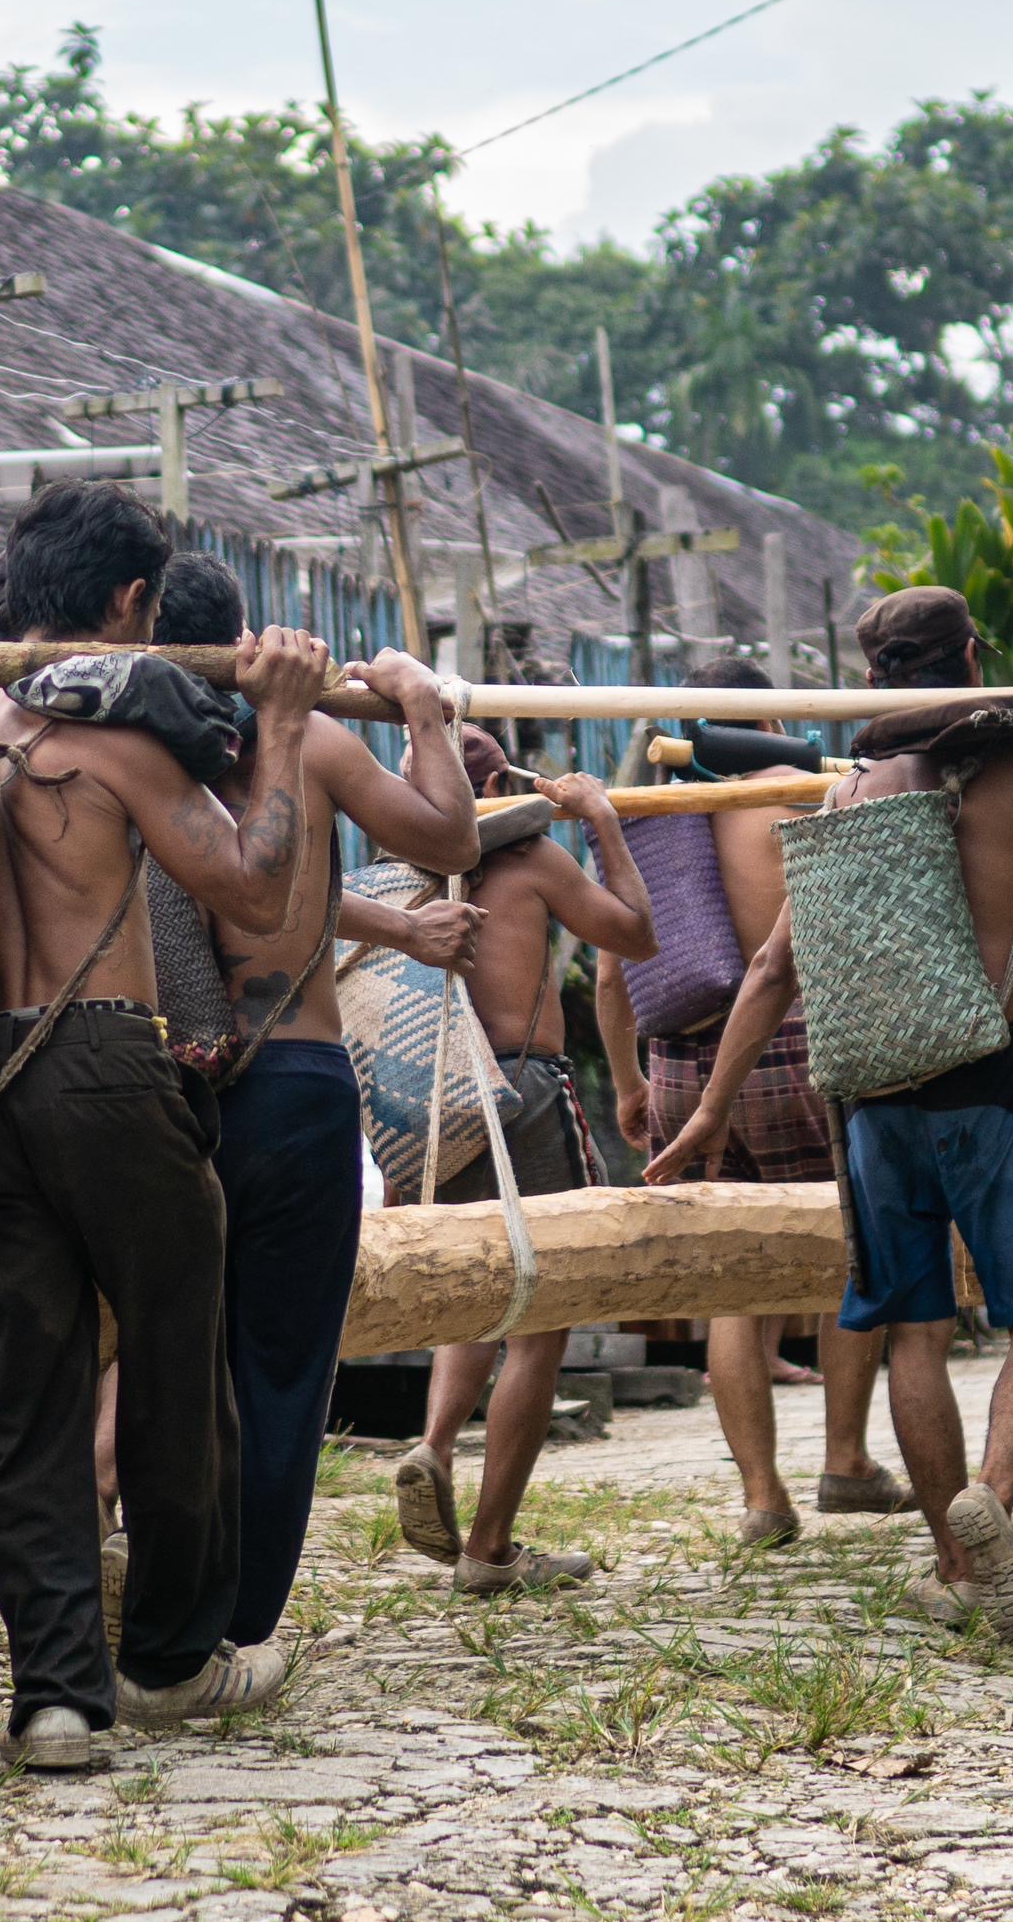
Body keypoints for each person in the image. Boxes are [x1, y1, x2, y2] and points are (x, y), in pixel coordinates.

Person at [0, 483, 331, 1770]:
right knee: (175, 1359)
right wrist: (277, 719)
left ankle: (52, 1696)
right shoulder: (121, 729)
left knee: (20, 1391)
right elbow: (255, 893)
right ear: (130, 601)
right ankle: (163, 1656)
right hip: (102, 1058)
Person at [667, 589, 1013, 1641]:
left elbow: (768, 968)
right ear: (972, 656)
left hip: (873, 1103)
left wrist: (712, 1107)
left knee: (913, 1334)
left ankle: (954, 1560)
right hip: (990, 1077)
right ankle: (990, 1496)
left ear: (872, 674)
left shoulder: (842, 797)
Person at [143, 550, 477, 1656]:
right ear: (246, 640)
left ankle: (156, 1590)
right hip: (290, 1080)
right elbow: (448, 837)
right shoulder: (313, 741)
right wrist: (423, 706)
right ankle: (238, 1623)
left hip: (165, 1085)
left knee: (172, 1356)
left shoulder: (125, 753)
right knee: (279, 1362)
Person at [601, 655, 902, 1544]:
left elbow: (613, 977)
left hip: (682, 1061)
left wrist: (629, 1082)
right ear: (771, 720)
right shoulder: (804, 789)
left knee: (734, 1282)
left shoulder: (655, 815)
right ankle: (845, 1462)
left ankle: (761, 1499)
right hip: (797, 1043)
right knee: (854, 1256)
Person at [382, 729, 655, 1598]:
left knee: (479, 1288)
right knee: (543, 1314)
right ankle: (490, 1548)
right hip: (523, 1092)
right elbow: (639, 936)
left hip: (435, 1097)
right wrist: (606, 823)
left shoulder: (401, 877)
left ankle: (434, 1445)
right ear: (499, 786)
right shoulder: (534, 863)